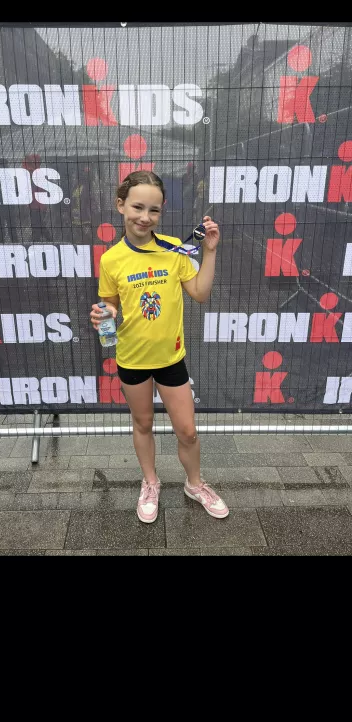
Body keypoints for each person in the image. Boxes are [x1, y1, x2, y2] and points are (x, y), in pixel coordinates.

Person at [90, 170, 229, 524]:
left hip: (171, 359)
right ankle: (150, 482)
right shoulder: (111, 260)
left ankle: (194, 484)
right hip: (133, 360)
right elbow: (109, 306)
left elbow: (199, 293)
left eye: (153, 210)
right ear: (120, 205)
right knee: (143, 424)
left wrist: (209, 252)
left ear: (161, 211)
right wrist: (102, 315)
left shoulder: (174, 250)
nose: (144, 216)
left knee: (188, 431)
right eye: (137, 206)